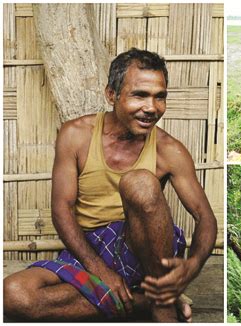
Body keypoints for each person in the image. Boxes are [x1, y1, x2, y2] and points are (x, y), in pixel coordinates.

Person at [3, 48, 218, 322]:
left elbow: (205, 217)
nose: (152, 108)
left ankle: (162, 307)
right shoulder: (75, 135)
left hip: (142, 249)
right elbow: (62, 209)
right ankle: (147, 300)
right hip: (86, 248)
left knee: (139, 182)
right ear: (112, 95)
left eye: (160, 96)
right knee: (13, 295)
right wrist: (99, 270)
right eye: (139, 95)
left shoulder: (169, 150)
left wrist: (194, 265)